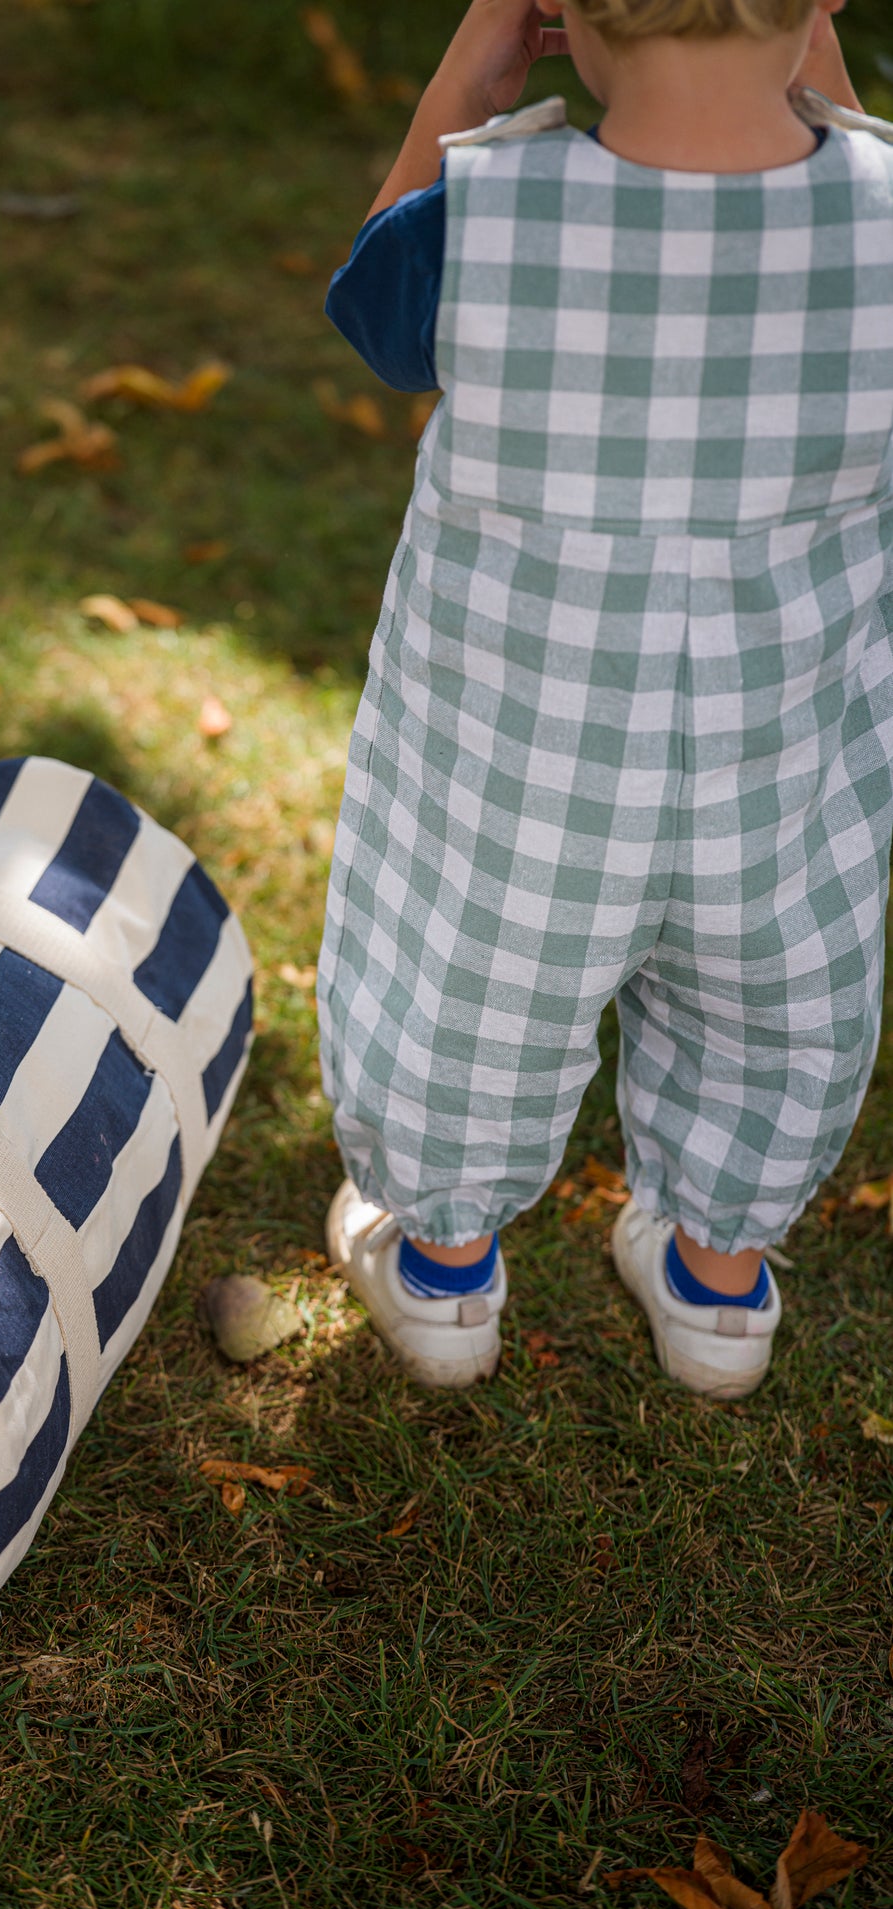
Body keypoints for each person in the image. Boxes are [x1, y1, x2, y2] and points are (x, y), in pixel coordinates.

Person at [317, 0, 891, 1398]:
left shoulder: (485, 211)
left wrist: (472, 70)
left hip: (522, 752)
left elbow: (376, 321)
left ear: (554, 15)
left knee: (466, 978)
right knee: (774, 993)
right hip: (778, 747)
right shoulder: (886, 220)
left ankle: (444, 1268)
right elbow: (850, 155)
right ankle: (716, 1278)